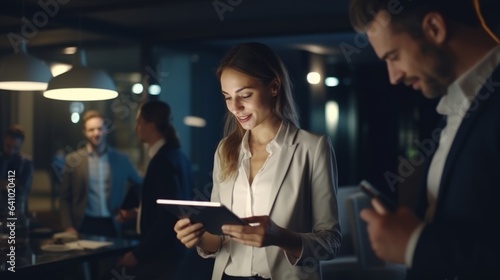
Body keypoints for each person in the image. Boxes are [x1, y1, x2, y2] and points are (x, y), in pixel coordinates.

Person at [349, 0, 500, 279]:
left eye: (393, 56)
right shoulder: (454, 108)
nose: (393, 77)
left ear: (434, 28)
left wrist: (415, 245)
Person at [174, 42, 342, 280]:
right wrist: (199, 237)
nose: (235, 107)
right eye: (227, 97)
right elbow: (219, 239)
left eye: (245, 95)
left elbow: (331, 242)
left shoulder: (312, 148)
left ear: (274, 87)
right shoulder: (225, 150)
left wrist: (279, 237)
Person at [116, 100, 194, 279]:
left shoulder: (162, 160)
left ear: (151, 126)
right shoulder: (177, 155)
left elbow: (167, 215)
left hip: (161, 255)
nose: (136, 128)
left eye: (139, 122)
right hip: (172, 252)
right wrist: (139, 213)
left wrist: (138, 254)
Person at [59, 110, 143, 237]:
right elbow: (65, 197)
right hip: (83, 223)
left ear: (105, 130)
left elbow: (141, 185)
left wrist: (133, 210)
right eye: (91, 130)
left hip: (113, 223)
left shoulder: (121, 159)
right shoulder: (73, 160)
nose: (96, 133)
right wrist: (68, 226)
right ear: (84, 132)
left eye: (99, 128)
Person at [0, 124, 33, 216]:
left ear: (21, 144)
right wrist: (14, 183)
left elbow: (23, 189)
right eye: (8, 146)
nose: (11, 151)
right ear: (4, 140)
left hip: (18, 213)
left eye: (15, 148)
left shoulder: (26, 163)